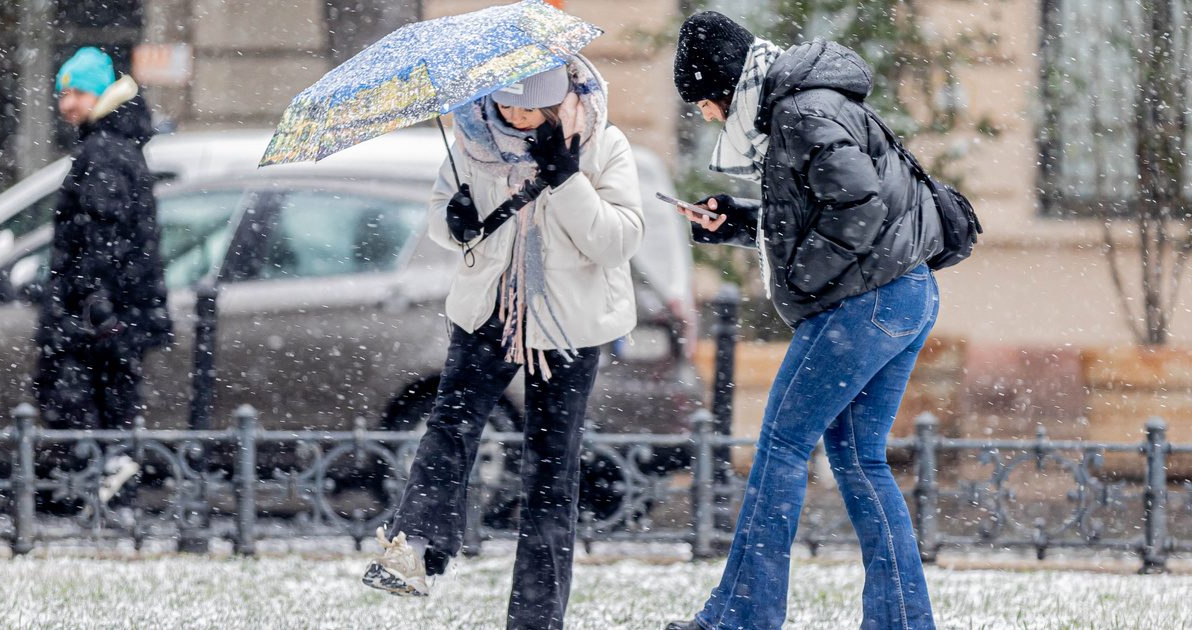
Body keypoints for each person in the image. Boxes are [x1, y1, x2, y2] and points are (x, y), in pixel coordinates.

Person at [664, 12, 944, 630]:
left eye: (706, 103)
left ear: (727, 86)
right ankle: (902, 620)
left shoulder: (799, 112)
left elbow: (858, 208)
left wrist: (810, 283)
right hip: (905, 294)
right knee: (859, 458)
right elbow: (820, 208)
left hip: (866, 304)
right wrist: (737, 220)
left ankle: (742, 617)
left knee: (781, 449)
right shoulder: (803, 104)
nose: (707, 117)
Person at [361, 58, 644, 630]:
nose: (511, 116)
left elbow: (616, 241)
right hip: (489, 307)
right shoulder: (471, 138)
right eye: (503, 103)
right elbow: (443, 217)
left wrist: (567, 181)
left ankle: (536, 618)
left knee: (551, 467)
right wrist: (456, 222)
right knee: (449, 426)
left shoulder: (603, 143)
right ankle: (416, 550)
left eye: (525, 106)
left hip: (568, 322)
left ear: (555, 98)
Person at [35, 47, 171, 431]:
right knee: (113, 426)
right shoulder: (114, 146)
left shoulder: (104, 153)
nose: (67, 104)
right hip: (113, 322)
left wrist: (92, 310)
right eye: (63, 94)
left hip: (94, 328)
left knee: (84, 432)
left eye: (77, 93)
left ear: (100, 94)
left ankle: (103, 482)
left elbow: (103, 238)